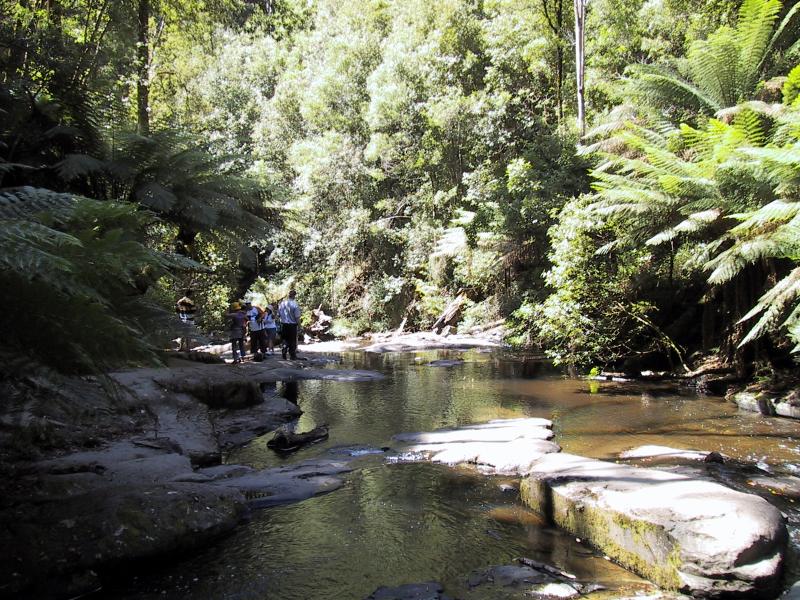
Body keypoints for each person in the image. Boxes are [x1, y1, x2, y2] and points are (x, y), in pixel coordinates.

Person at [278, 290, 301, 359]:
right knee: (292, 340)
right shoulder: (295, 304)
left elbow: (278, 315)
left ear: (289, 295)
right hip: (292, 325)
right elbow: (297, 317)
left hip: (284, 324)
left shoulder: (282, 303)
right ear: (294, 296)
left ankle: (284, 351)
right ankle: (292, 355)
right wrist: (299, 327)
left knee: (285, 339)